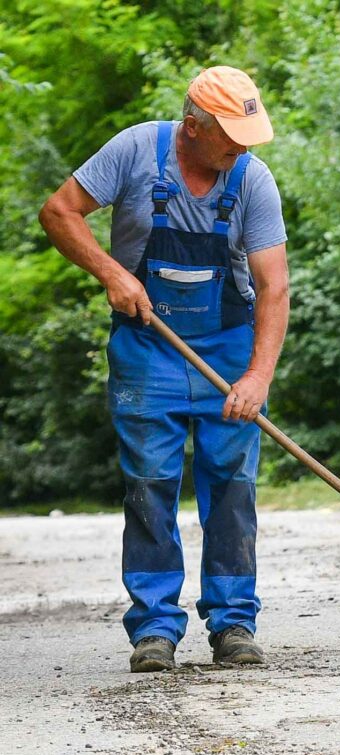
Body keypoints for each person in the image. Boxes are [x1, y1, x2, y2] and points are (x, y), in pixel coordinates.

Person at [37, 68, 287, 673]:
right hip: (147, 348)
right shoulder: (135, 152)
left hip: (227, 349)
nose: (243, 149)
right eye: (232, 137)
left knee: (232, 483)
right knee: (149, 483)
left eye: (250, 136)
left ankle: (233, 623)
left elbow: (273, 287)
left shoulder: (252, 180)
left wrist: (257, 378)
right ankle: (153, 627)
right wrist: (111, 272)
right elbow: (59, 212)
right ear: (194, 127)